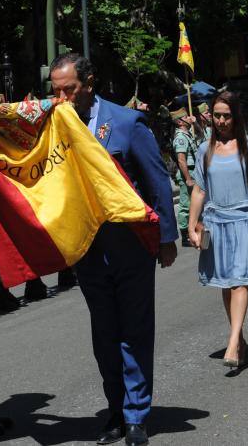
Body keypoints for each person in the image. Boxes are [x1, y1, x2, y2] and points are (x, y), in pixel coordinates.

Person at [50, 53, 177, 446]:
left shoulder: (125, 122)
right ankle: (115, 409)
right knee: (104, 333)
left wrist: (167, 238)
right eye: (55, 91)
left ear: (89, 83)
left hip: (131, 246)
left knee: (135, 330)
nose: (62, 98)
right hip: (88, 250)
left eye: (68, 89)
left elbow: (155, 179)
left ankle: (137, 413)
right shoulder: (55, 126)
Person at [187, 91, 248, 368]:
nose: (221, 121)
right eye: (217, 115)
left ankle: (233, 342)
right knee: (224, 282)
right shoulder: (204, 150)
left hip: (246, 220)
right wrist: (192, 225)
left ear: (236, 117)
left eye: (226, 116)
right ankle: (240, 336)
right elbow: (199, 190)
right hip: (215, 223)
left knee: (239, 280)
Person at [172, 107, 199, 247]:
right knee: (185, 205)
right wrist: (188, 178)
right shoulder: (181, 138)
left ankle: (194, 229)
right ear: (180, 122)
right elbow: (181, 160)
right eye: (187, 116)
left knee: (194, 203)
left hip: (194, 172)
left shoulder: (187, 134)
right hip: (187, 173)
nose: (190, 118)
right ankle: (184, 236)